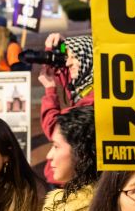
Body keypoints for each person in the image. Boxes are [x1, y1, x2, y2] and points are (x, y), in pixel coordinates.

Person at [39, 33, 94, 185]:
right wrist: (59, 47)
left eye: (74, 57)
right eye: (67, 57)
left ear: (87, 59)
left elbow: (55, 127)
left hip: (74, 181)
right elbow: (62, 71)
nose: (68, 63)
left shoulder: (93, 97)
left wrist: (50, 90)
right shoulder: (82, 88)